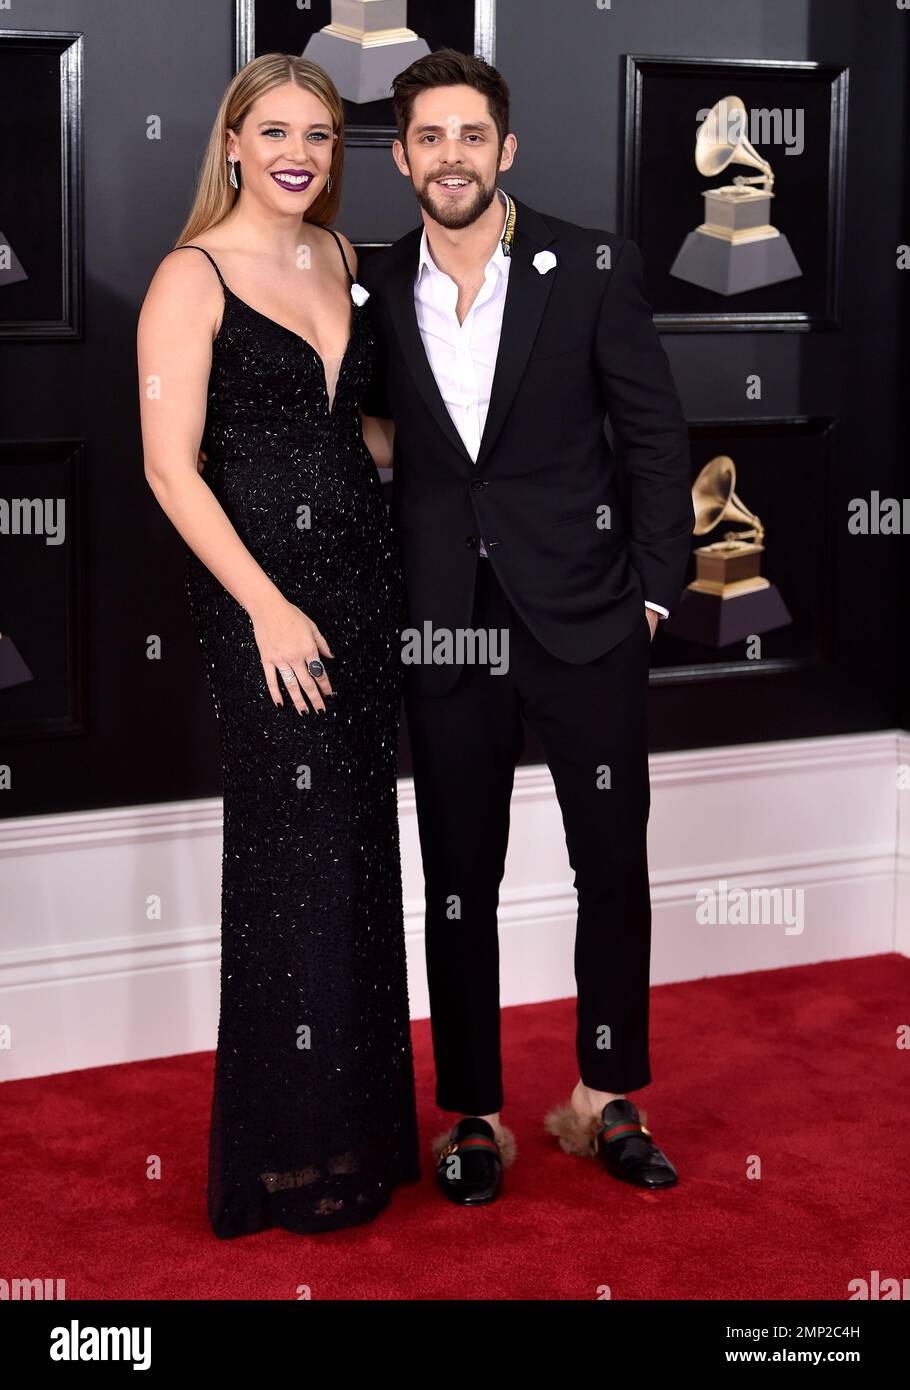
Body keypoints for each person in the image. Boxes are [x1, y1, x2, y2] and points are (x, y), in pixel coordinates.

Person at [360, 49, 693, 1205]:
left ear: (504, 149)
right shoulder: (372, 285)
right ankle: (474, 1114)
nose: (450, 155)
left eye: (471, 135)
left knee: (611, 866)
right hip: (446, 628)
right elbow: (376, 446)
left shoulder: (592, 266)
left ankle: (606, 1101)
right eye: (428, 138)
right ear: (400, 157)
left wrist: (653, 590)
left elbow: (653, 435)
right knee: (461, 874)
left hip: (588, 617)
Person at [137, 52, 419, 1237]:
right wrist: (262, 603)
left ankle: (358, 1137)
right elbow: (168, 465)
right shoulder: (189, 275)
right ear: (236, 143)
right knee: (288, 862)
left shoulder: (344, 260)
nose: (301, 149)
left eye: (320, 131)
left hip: (362, 580)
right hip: (265, 599)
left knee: (356, 847)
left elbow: (358, 425)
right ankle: (284, 1158)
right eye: (277, 130)